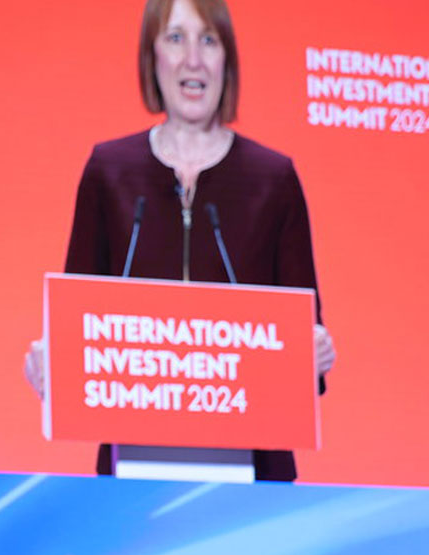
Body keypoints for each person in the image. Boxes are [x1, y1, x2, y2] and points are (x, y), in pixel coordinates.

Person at [24, 0, 336, 481]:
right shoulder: (109, 170)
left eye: (208, 40)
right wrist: (54, 366)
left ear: (227, 60)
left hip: (257, 474)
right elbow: (77, 326)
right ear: (152, 58)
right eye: (175, 38)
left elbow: (303, 340)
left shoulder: (273, 178)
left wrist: (315, 351)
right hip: (132, 474)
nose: (193, 58)